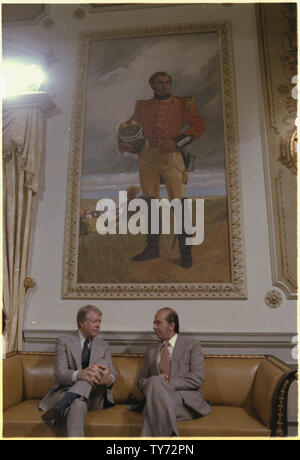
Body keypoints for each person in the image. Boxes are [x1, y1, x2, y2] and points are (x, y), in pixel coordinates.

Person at [118, 71, 206, 268]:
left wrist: (176, 142)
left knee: (179, 203)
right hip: (147, 157)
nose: (165, 85)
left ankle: (185, 253)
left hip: (171, 157)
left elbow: (199, 126)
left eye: (168, 82)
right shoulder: (142, 106)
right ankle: (152, 249)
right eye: (160, 82)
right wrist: (124, 144)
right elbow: (129, 129)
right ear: (152, 85)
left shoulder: (183, 103)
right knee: (150, 203)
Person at [39, 305, 117, 437]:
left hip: (93, 396)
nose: (98, 325)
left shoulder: (104, 346)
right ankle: (68, 400)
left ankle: (59, 408)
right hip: (65, 391)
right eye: (94, 322)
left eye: (99, 322)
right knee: (78, 404)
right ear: (81, 323)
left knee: (101, 364)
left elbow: (112, 372)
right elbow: (60, 373)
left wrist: (108, 379)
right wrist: (80, 374)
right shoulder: (64, 341)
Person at [137, 307, 210, 437]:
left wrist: (169, 382)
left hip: (183, 400)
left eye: (158, 323)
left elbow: (197, 378)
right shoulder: (152, 350)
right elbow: (141, 380)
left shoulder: (192, 345)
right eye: (154, 323)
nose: (154, 327)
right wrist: (156, 382)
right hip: (158, 398)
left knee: (151, 410)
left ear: (171, 325)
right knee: (154, 381)